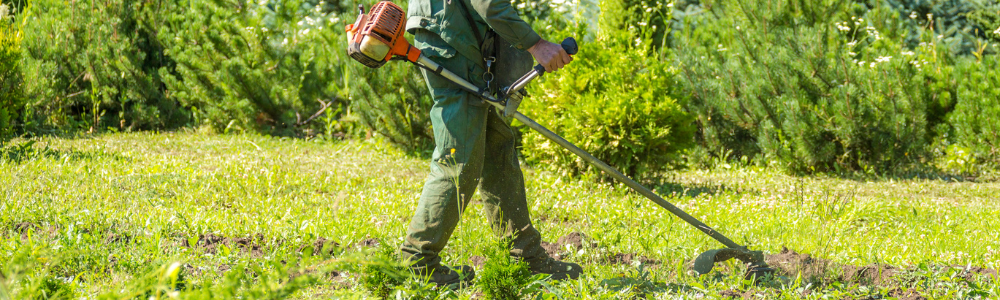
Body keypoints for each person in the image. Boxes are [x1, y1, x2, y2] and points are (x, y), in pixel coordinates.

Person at [399, 0, 581, 287]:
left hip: (454, 35)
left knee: (496, 147)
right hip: (453, 39)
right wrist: (536, 44)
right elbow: (488, 3)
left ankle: (524, 256)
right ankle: (417, 264)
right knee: (458, 158)